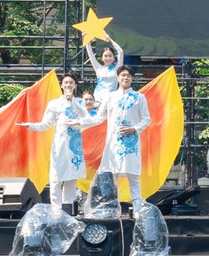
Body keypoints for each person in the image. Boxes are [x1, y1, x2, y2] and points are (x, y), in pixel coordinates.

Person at [22, 72, 89, 210]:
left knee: (71, 179)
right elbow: (45, 124)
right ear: (61, 85)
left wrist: (72, 102)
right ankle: (56, 210)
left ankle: (68, 210)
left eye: (71, 83)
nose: (68, 85)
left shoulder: (80, 102)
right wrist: (31, 125)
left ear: (75, 85)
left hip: (74, 147)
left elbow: (85, 117)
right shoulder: (54, 104)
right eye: (66, 83)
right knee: (55, 178)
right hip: (59, 145)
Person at [96, 65, 151, 214]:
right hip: (113, 143)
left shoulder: (139, 97)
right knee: (112, 177)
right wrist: (81, 121)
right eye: (123, 75)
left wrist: (133, 128)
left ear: (132, 78)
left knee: (133, 177)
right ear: (118, 78)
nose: (125, 78)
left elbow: (147, 119)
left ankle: (137, 211)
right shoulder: (110, 97)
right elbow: (98, 118)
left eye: (128, 76)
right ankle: (112, 210)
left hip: (131, 143)